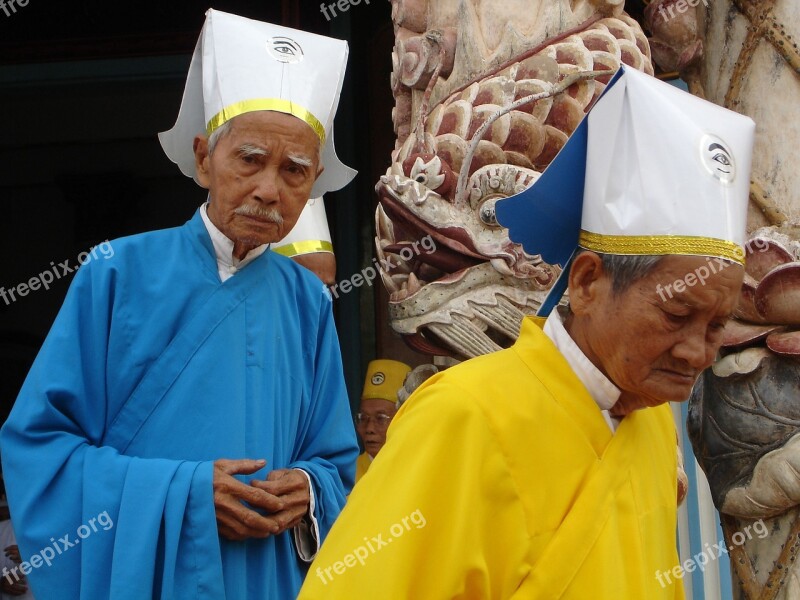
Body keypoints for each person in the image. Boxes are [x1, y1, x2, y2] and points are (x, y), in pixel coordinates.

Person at [298, 66, 755, 598]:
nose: (698, 352)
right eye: (676, 316)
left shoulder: (653, 429)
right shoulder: (464, 415)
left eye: (717, 326)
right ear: (586, 284)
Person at [0, 10, 359, 599]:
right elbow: (41, 449)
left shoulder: (308, 304)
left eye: (294, 171)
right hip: (151, 577)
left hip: (266, 577)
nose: (270, 188)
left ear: (313, 180)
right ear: (202, 158)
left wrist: (309, 487)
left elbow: (334, 461)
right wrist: (187, 495)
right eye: (250, 159)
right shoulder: (115, 271)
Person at [354, 360, 411, 482]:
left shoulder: (416, 471)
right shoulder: (345, 474)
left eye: (380, 418)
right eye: (363, 418)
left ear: (401, 420)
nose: (369, 429)